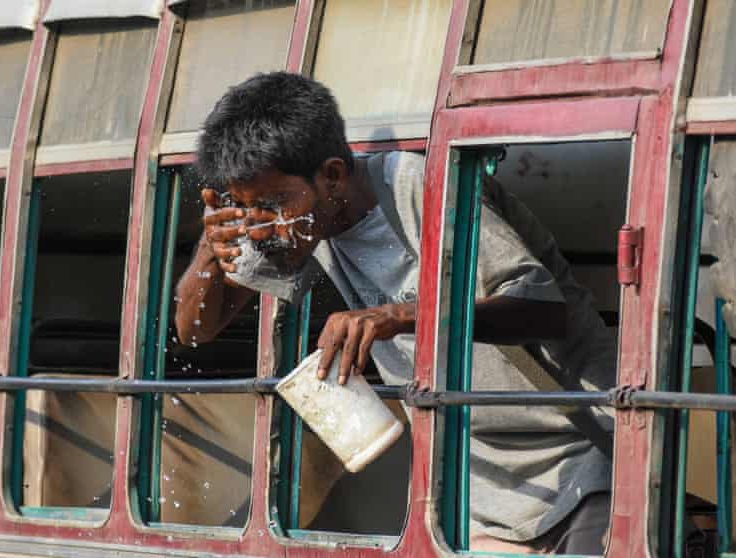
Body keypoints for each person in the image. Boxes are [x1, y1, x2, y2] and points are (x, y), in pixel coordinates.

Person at [174, 72, 616, 553]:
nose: (261, 229)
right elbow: (195, 330)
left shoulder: (419, 187)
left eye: (273, 203)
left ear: (334, 176)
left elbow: (544, 310)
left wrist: (400, 317)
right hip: (477, 487)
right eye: (247, 208)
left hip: (581, 455)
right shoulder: (298, 223)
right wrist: (210, 250)